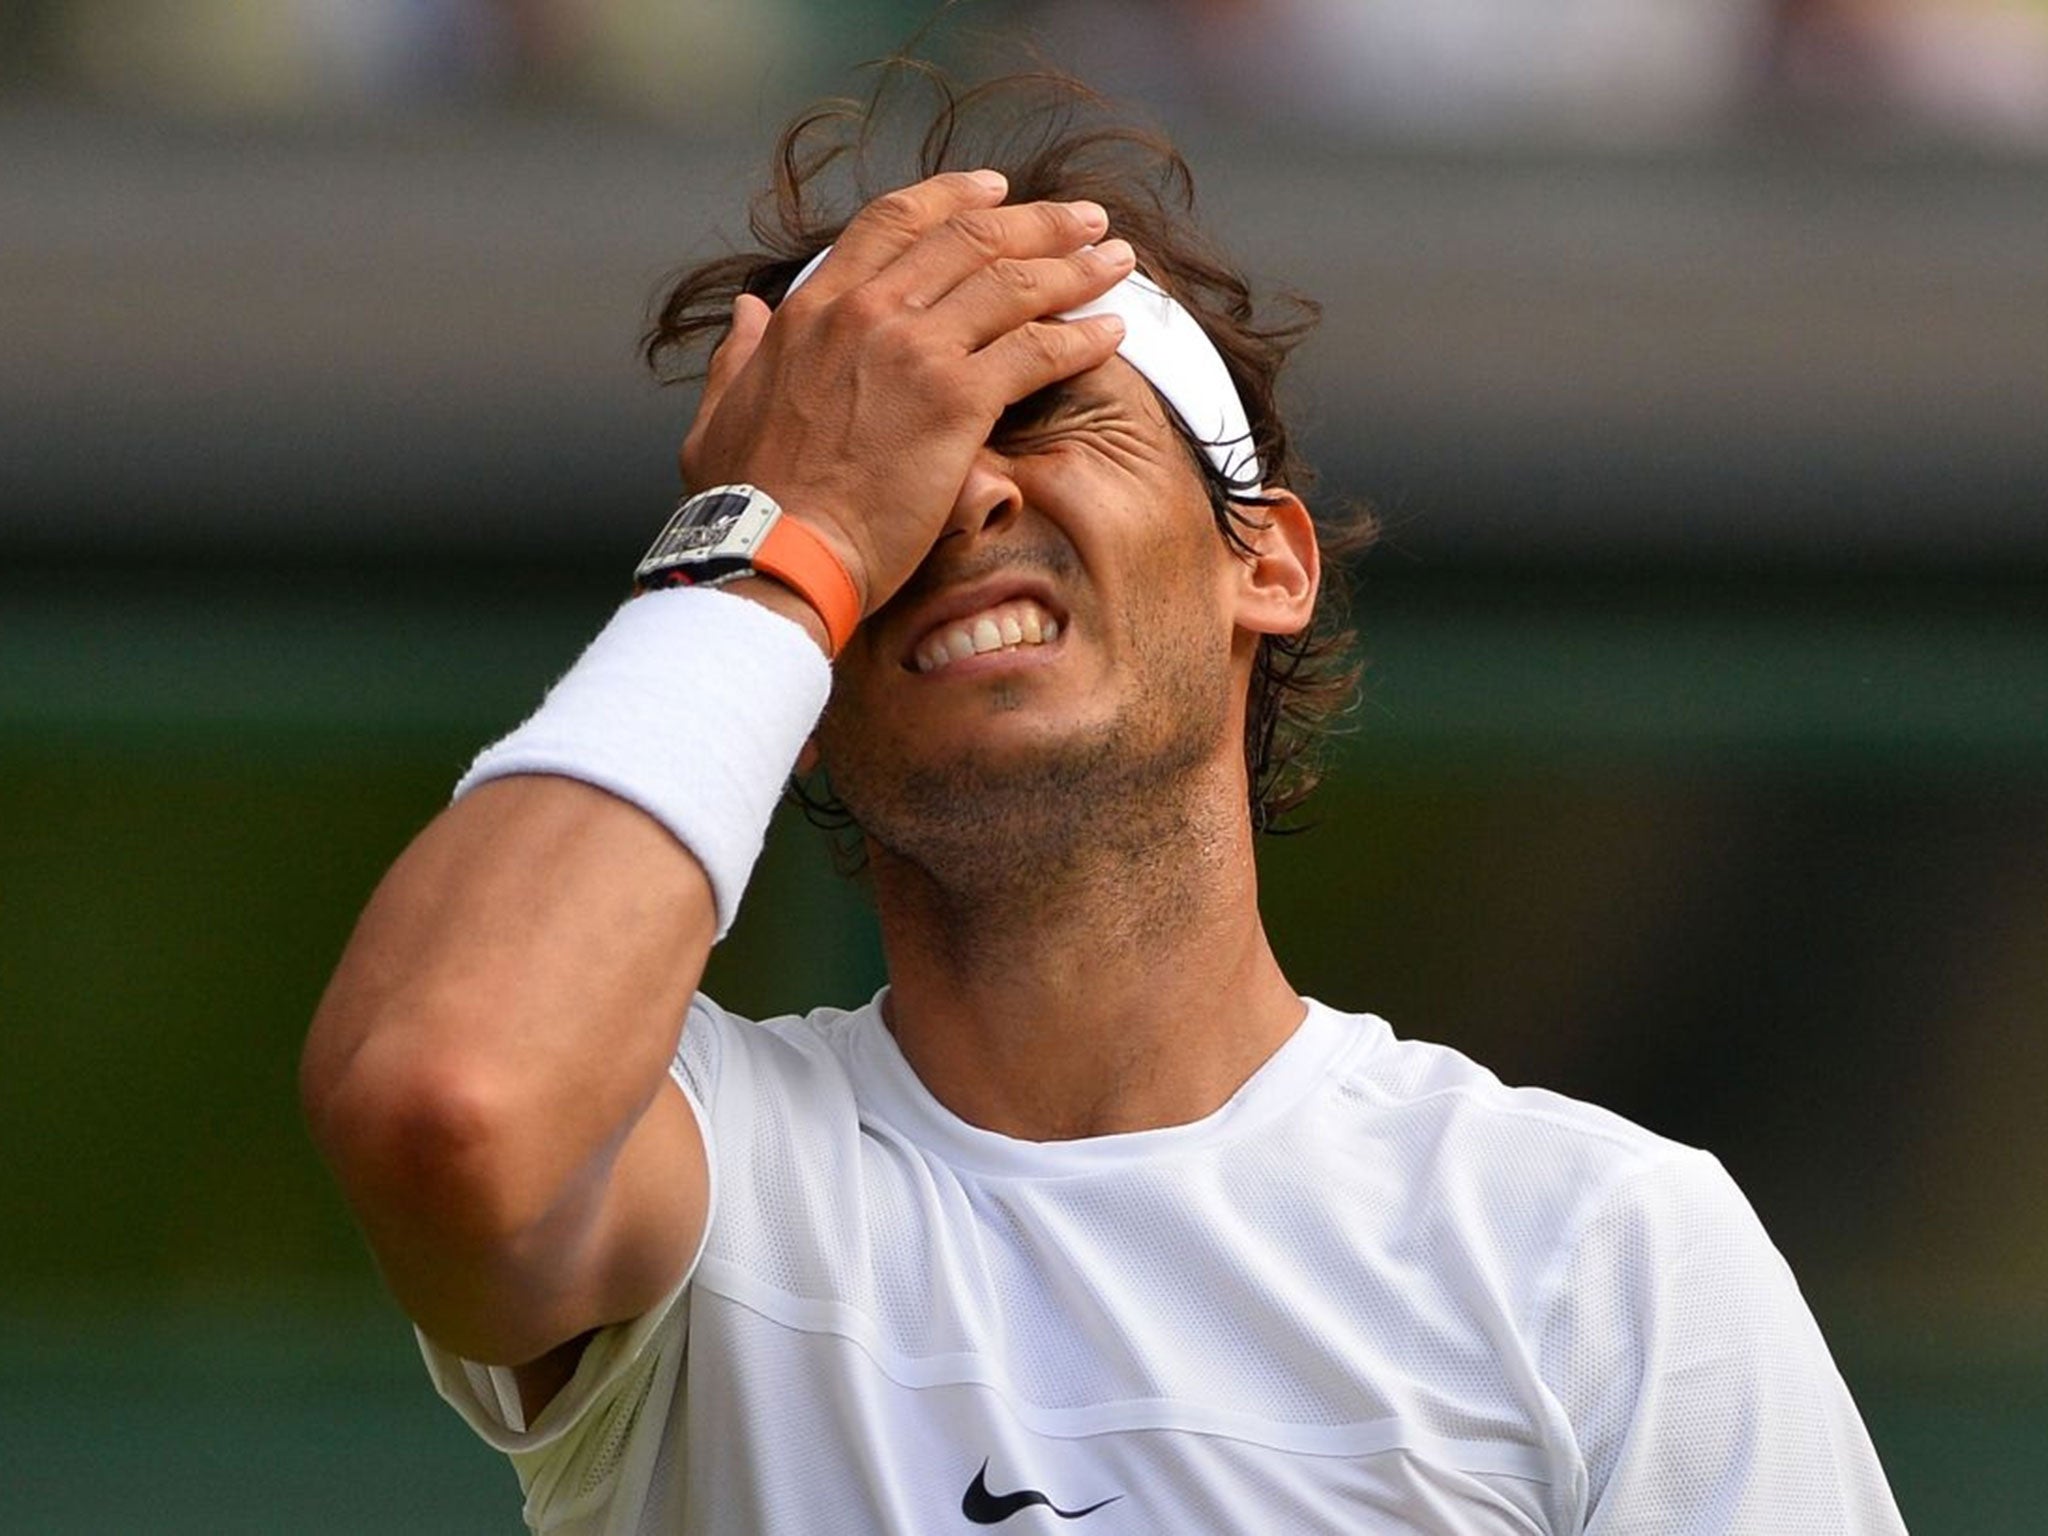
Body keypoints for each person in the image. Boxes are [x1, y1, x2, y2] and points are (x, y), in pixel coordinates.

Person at [300, 67, 1907, 1535]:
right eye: (881, 486)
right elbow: (451, 1100)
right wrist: (777, 533)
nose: (961, 495)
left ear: (1262, 561)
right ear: (782, 697)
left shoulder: (1596, 1247)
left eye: (1046, 419)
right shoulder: (713, 1172)